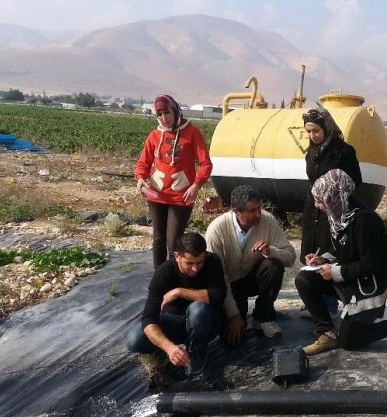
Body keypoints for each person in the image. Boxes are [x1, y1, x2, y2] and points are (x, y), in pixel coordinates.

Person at [294, 169, 387, 355]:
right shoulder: (341, 214)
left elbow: (369, 265)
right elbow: (342, 248)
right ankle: (327, 334)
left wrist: (333, 272)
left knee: (349, 341)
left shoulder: (365, 221)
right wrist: (323, 259)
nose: (317, 205)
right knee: (304, 279)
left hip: (369, 287)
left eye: (320, 200)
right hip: (351, 279)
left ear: (333, 197)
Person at [205, 185, 296, 345]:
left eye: (259, 208)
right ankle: (237, 313)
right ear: (236, 211)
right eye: (252, 211)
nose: (259, 214)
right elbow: (218, 278)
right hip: (230, 285)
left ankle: (263, 316)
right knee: (233, 339)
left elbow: (290, 258)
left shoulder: (268, 220)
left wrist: (270, 251)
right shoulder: (217, 230)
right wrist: (233, 315)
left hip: (253, 278)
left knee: (273, 266)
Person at [125, 232, 226, 375]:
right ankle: (164, 351)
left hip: (206, 322)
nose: (195, 269)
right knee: (134, 340)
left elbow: (218, 296)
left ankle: (197, 351)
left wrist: (179, 291)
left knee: (198, 309)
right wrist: (169, 347)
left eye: (199, 263)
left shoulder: (212, 262)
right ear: (177, 256)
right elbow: (149, 318)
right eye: (189, 263)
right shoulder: (164, 272)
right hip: (175, 321)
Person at [135, 94, 213, 268]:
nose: (164, 118)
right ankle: (159, 278)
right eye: (159, 114)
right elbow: (143, 163)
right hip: (156, 194)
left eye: (167, 113)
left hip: (181, 196)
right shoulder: (155, 135)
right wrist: (140, 178)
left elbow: (205, 163)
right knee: (158, 239)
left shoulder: (192, 133)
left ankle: (173, 279)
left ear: (175, 110)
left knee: (173, 242)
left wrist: (196, 185)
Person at [300, 107, 363, 317]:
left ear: (326, 128)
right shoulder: (311, 152)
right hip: (314, 208)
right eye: (308, 131)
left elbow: (355, 181)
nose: (312, 135)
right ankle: (312, 298)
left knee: (329, 252)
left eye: (316, 131)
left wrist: (335, 200)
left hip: (335, 209)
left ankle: (328, 303)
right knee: (311, 252)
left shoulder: (344, 151)